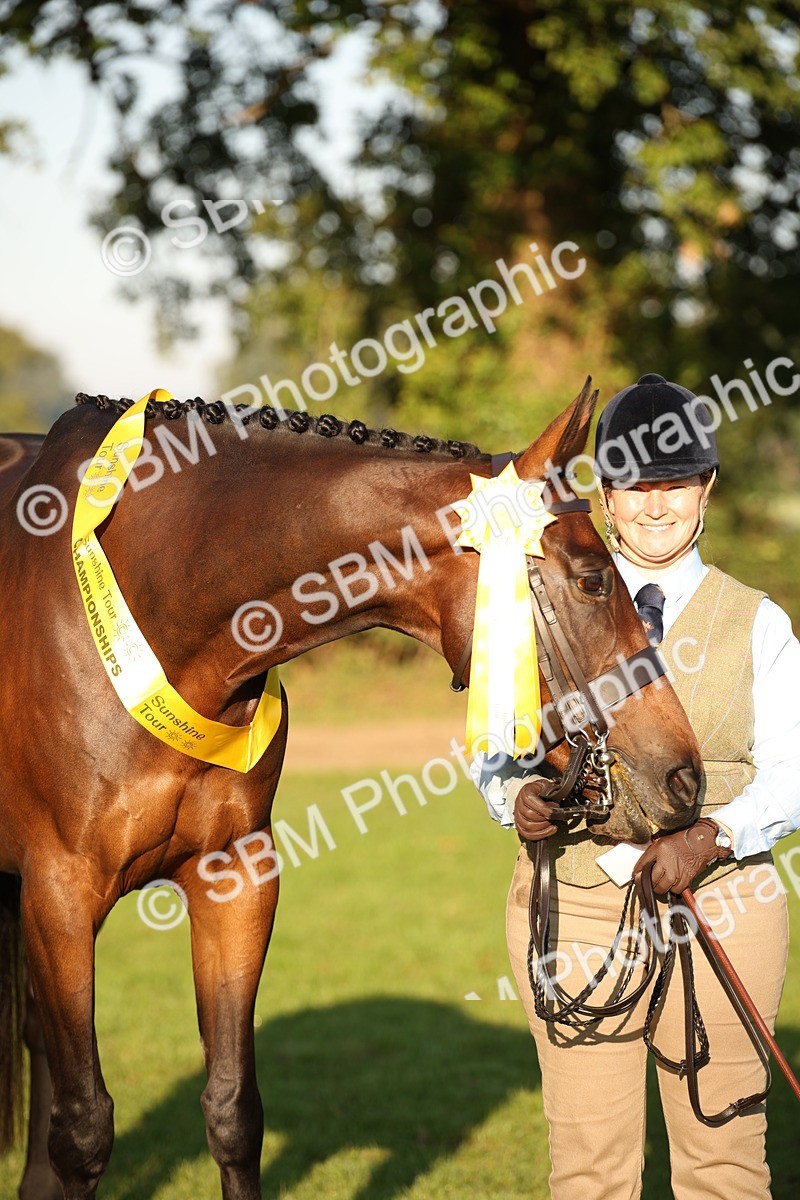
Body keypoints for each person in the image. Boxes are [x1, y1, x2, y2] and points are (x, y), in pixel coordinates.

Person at [471, 373, 800, 1199]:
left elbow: (794, 771)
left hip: (725, 903)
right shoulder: (540, 602)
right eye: (635, 486)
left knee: (725, 1165)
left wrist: (714, 835)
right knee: (589, 1172)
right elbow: (491, 749)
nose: (657, 507)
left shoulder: (757, 621)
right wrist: (514, 796)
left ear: (707, 490)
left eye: (676, 484)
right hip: (575, 905)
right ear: (605, 497)